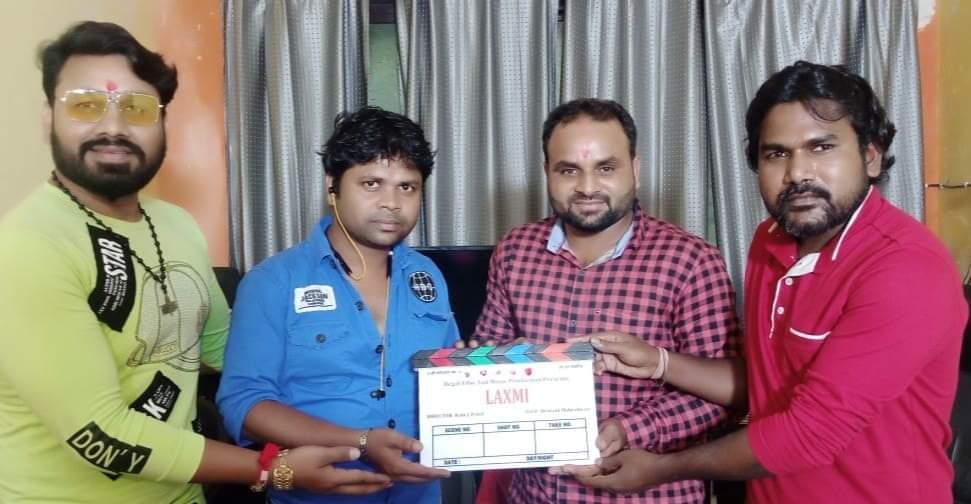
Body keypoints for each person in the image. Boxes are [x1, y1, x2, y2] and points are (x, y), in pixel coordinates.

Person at [0, 21, 391, 503]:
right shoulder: (28, 246)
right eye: (86, 104)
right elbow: (99, 435)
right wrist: (278, 470)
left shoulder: (175, 225)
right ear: (48, 118)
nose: (113, 127)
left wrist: (365, 392)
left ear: (163, 122)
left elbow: (226, 350)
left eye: (137, 108)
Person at [561, 62, 969, 503]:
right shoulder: (769, 241)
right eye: (777, 154)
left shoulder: (906, 267)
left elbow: (808, 435)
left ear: (870, 156)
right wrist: (658, 361)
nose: (798, 173)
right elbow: (767, 385)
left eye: (821, 147)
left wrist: (663, 467)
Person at [467, 98, 741, 503]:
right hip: (534, 494)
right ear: (547, 171)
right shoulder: (514, 250)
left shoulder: (691, 260)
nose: (587, 187)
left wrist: (631, 428)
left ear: (636, 168)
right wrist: (487, 366)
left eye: (606, 168)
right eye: (569, 170)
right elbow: (489, 352)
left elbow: (726, 393)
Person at [216, 106, 459, 503]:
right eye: (372, 183)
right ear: (333, 185)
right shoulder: (273, 281)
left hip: (418, 495)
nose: (391, 203)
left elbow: (446, 375)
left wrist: (474, 373)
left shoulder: (427, 275)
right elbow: (244, 405)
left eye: (407, 187)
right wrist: (359, 441)